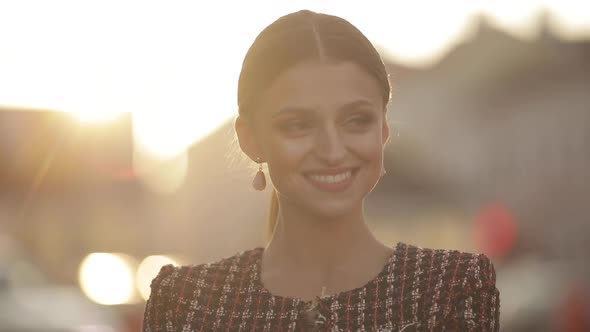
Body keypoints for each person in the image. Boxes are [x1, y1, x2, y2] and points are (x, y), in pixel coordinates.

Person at [142, 9, 500, 331]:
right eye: (298, 125)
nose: (332, 151)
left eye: (356, 121)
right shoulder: (186, 302)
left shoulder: (449, 288)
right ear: (251, 139)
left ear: (383, 132)